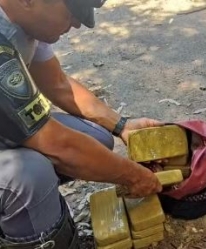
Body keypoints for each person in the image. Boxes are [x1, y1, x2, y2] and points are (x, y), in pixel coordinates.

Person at [0, 0, 163, 248]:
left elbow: (58, 85)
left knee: (96, 138)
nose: (77, 24)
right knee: (30, 175)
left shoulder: (24, 25)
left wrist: (122, 126)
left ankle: (32, 216)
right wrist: (133, 175)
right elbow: (57, 145)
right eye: (71, 12)